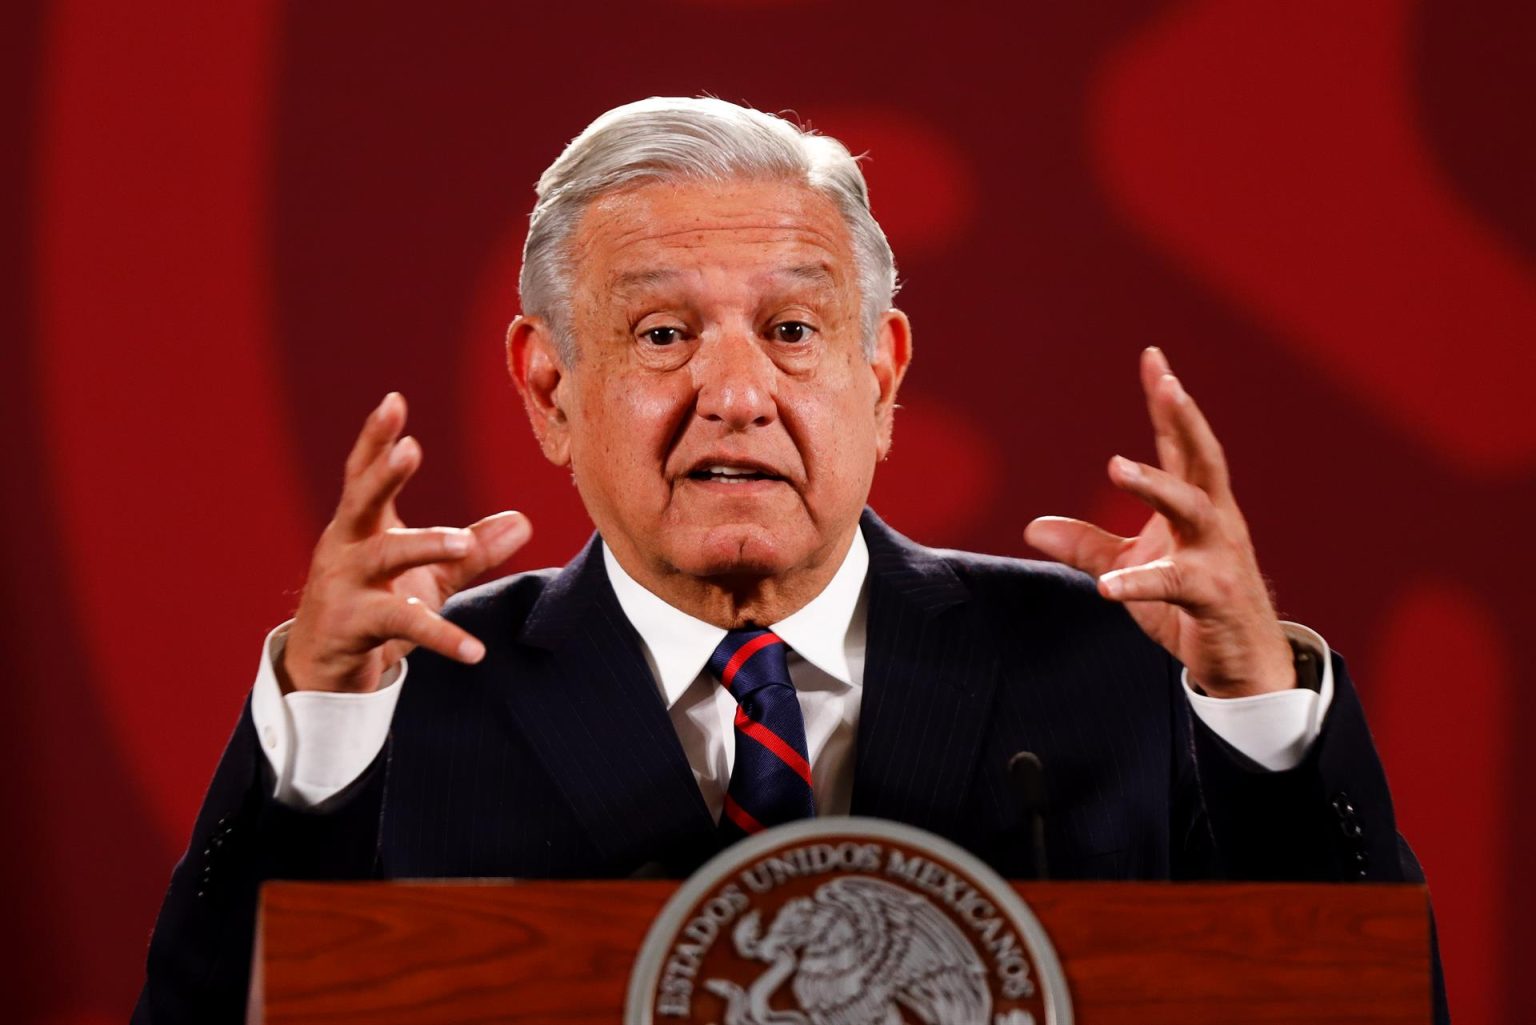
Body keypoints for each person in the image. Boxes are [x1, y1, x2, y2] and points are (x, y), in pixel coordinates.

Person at [134, 97, 1433, 1022]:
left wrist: (1260, 713)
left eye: (795, 327)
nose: (737, 393)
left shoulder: (1114, 667)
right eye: (660, 333)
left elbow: (1369, 1005)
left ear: (882, 374)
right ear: (547, 387)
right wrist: (313, 738)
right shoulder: (404, 709)